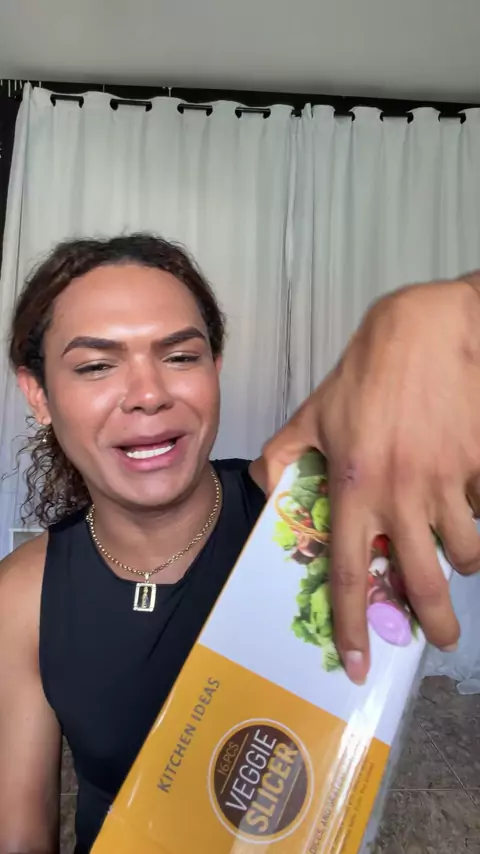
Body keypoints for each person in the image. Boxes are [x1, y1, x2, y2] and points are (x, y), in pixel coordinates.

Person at [0, 234, 479, 854]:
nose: (149, 393)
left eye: (181, 356)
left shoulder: (310, 513)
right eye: (96, 365)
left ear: (215, 369)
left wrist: (452, 311)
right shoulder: (20, 596)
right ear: (38, 394)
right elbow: (21, 834)